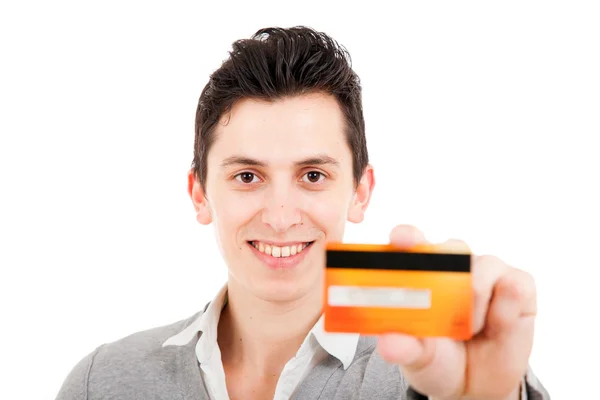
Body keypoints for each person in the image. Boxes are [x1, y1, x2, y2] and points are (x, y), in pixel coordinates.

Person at [56, 26, 550, 400]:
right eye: (247, 176)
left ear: (360, 192)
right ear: (200, 195)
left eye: (313, 175)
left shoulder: (437, 372)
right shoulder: (102, 383)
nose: (280, 214)